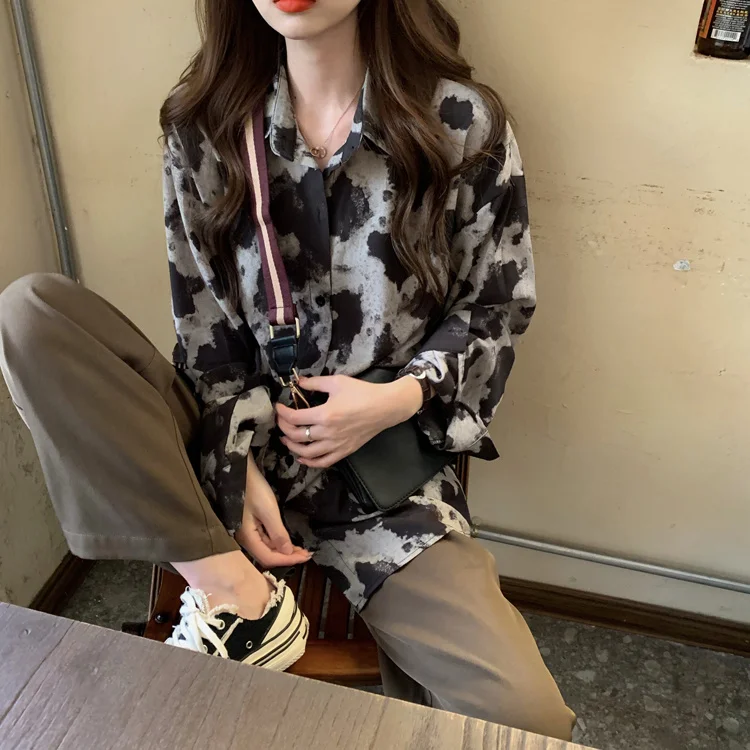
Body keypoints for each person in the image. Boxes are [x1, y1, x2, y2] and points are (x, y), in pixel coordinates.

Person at [0, 0, 575, 740]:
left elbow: (495, 309)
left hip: (381, 487)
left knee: (527, 721)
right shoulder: (204, 127)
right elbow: (203, 330)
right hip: (219, 448)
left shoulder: (461, 125)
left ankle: (238, 604)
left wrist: (395, 399)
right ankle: (235, 595)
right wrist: (233, 470)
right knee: (29, 312)